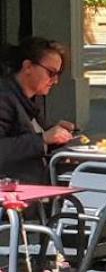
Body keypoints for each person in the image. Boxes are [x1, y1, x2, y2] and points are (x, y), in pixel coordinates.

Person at [0, 38, 76, 185]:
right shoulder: (5, 98)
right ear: (28, 66)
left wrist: (56, 138)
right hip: (14, 195)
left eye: (58, 74)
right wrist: (44, 138)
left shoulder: (27, 100)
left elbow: (32, 141)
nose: (55, 81)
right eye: (51, 73)